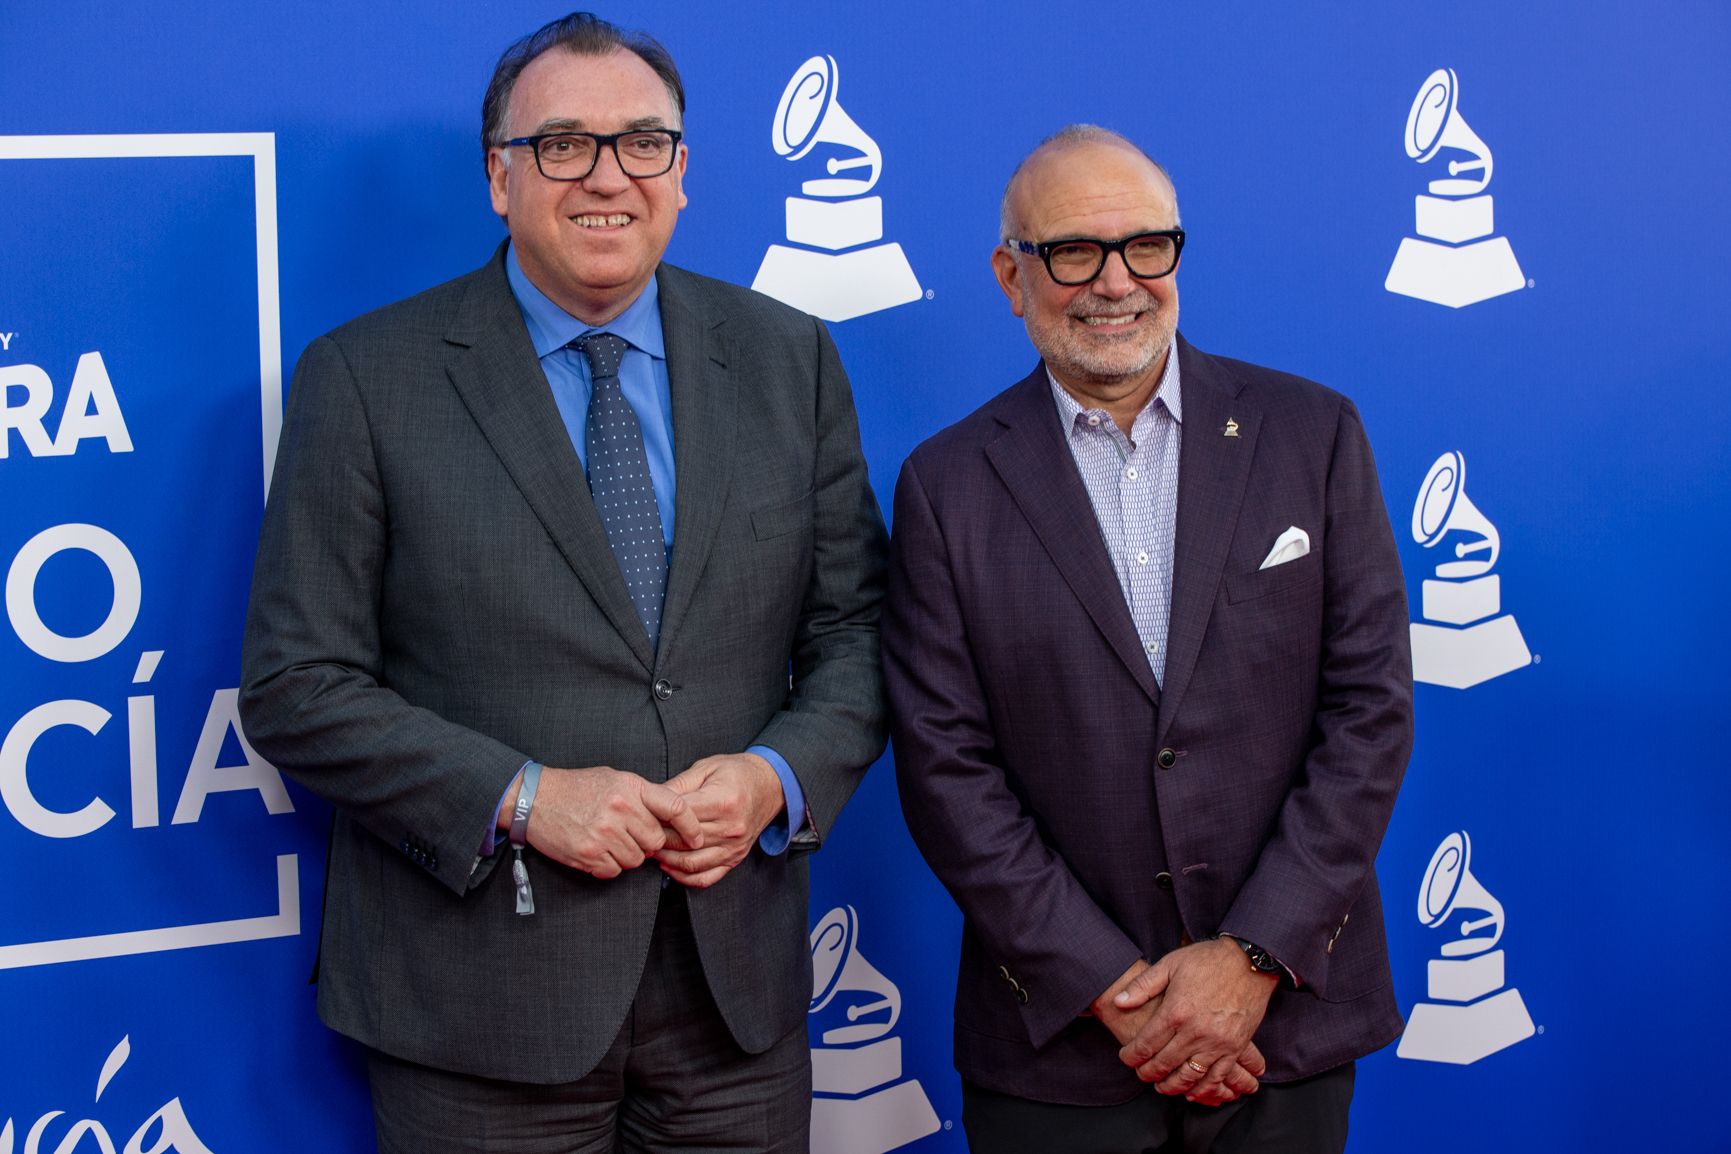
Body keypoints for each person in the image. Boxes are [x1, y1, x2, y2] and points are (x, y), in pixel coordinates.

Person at [238, 13, 887, 1152]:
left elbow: (860, 635)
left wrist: (775, 776)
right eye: (563, 144)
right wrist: (525, 797)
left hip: (736, 1003)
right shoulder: (366, 378)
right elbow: (298, 687)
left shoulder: (791, 358)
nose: (607, 176)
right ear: (500, 177)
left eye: (641, 142)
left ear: (680, 172)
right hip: (478, 1005)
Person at [883, 125, 1413, 1154]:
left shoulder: (1312, 433)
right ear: (1011, 275)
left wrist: (1251, 957)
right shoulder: (944, 486)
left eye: (1146, 246)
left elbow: (1370, 714)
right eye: (1073, 251)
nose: (1115, 281)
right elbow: (946, 768)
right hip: (1059, 1046)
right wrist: (1111, 987)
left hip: (1281, 1025)